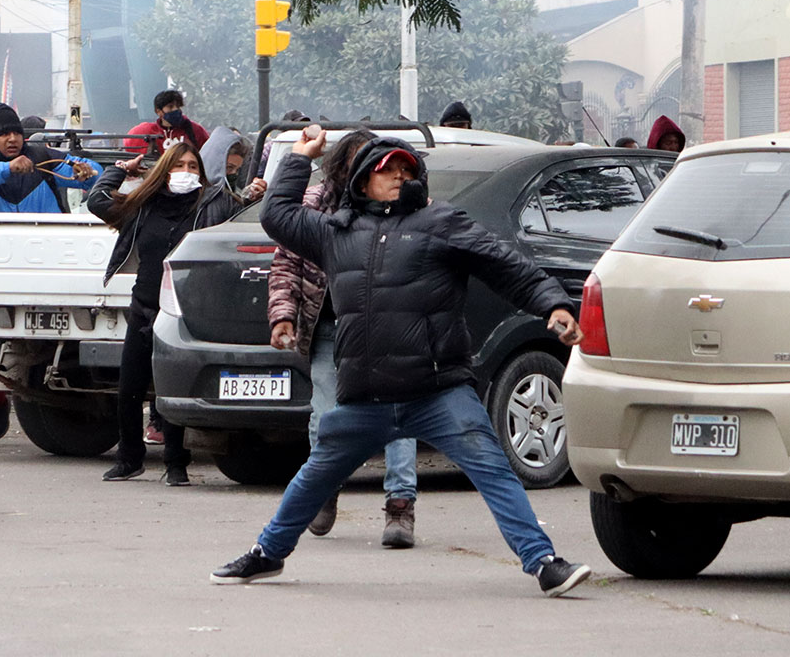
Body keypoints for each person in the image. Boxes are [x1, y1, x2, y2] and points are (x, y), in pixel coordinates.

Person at [210, 129, 592, 596]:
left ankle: (543, 562)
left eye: (405, 169)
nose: (397, 176)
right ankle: (267, 555)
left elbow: (506, 265)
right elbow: (278, 215)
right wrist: (298, 157)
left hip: (438, 392)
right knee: (314, 477)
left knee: (492, 469)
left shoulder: (441, 222)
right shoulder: (337, 232)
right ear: (362, 180)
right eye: (386, 169)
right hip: (365, 398)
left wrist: (553, 304)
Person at [265, 128, 421, 547]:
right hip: (329, 327)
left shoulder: (400, 207)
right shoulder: (316, 204)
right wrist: (284, 316)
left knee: (399, 418)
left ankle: (400, 506)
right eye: (356, 160)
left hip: (386, 330)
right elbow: (286, 262)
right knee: (326, 416)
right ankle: (324, 488)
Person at [0, 102, 99, 440]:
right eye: (4, 133)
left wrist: (86, 173)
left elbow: (93, 172)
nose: (12, 139)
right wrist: (6, 171)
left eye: (16, 132)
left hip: (53, 267)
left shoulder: (45, 157)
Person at [86, 141, 207, 485]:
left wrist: (257, 191)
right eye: (179, 165)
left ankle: (176, 463)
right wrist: (120, 170)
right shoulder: (144, 205)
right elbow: (98, 201)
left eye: (193, 166)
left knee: (172, 388)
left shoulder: (208, 206)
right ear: (165, 170)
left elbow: (246, 210)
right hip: (144, 307)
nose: (185, 172)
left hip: (183, 312)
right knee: (130, 388)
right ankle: (129, 459)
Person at [194, 127, 268, 228]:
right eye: (229, 167)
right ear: (214, 163)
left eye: (237, 170)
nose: (234, 174)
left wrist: (250, 203)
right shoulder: (189, 194)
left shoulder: (228, 199)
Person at [121, 89, 209, 154]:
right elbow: (128, 146)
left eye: (178, 106)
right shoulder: (144, 131)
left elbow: (208, 154)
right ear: (158, 111)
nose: (176, 110)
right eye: (170, 107)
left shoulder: (196, 130)